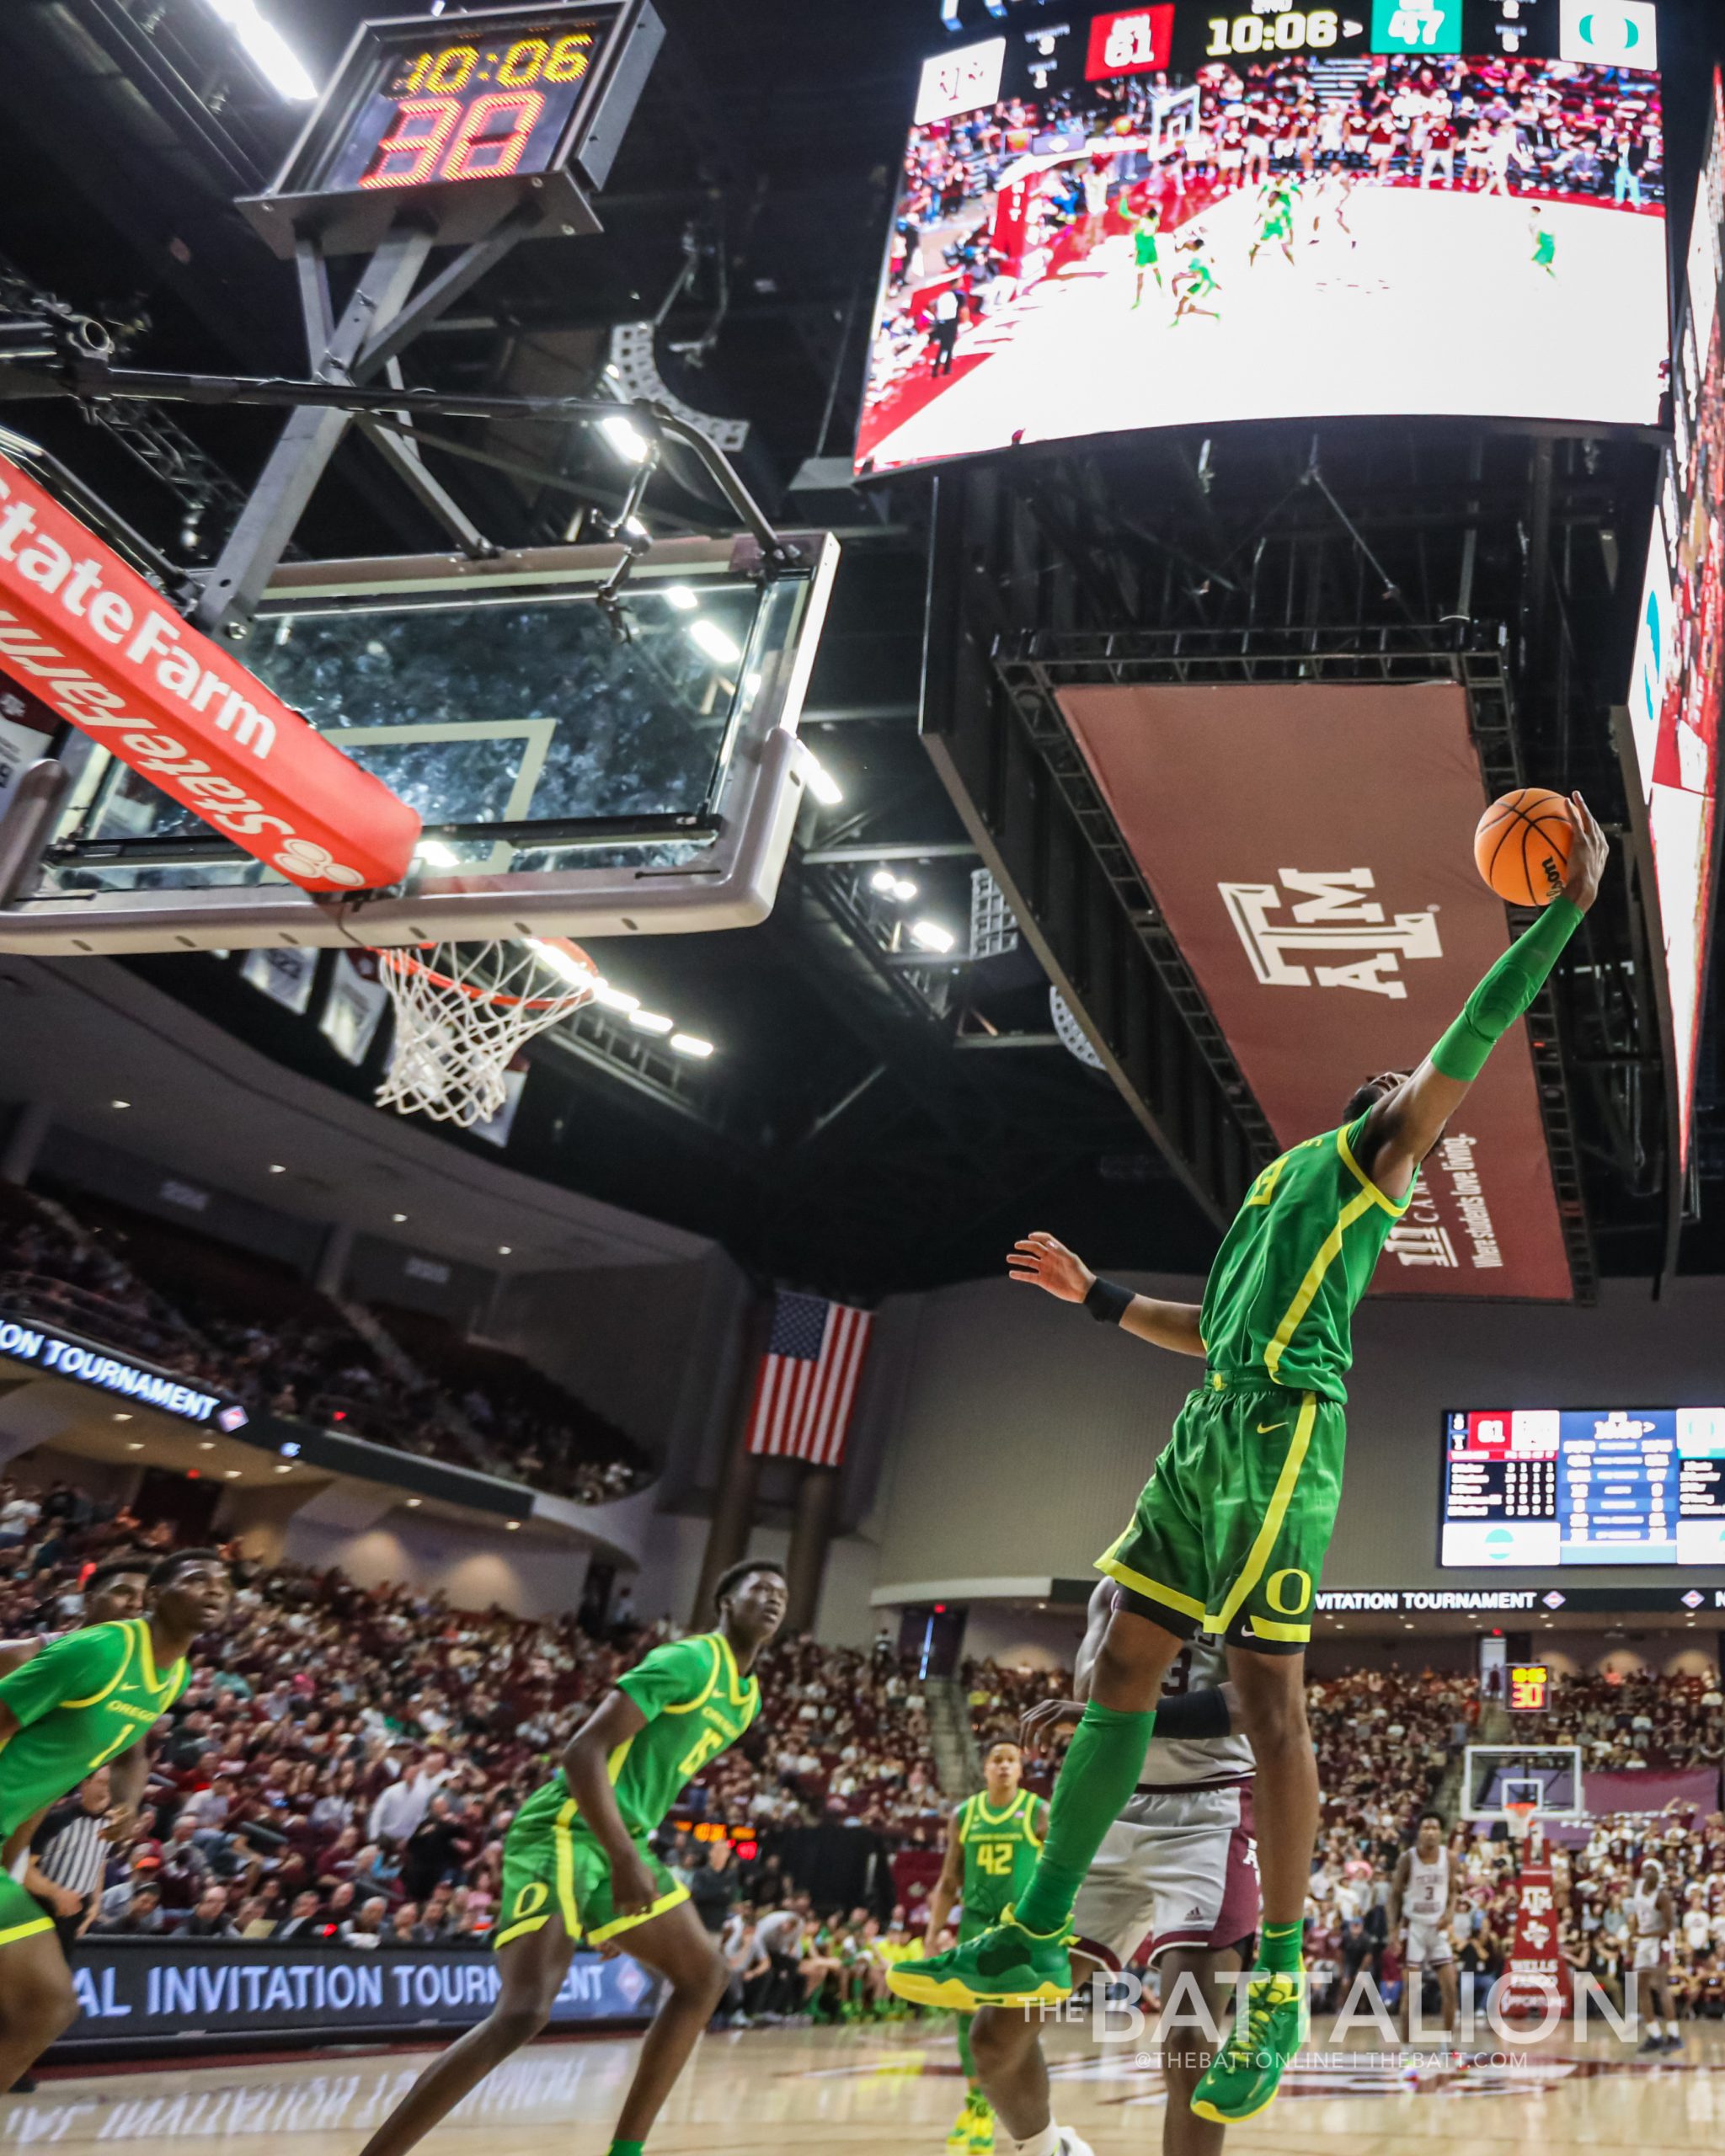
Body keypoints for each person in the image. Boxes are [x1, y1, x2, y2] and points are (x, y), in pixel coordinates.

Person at [890, 798, 1609, 2130]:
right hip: (1218, 1414)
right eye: (1399, 1087)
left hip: (1288, 1434)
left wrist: (1560, 918)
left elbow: (1471, 1037)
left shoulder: (1368, 1171)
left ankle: (1277, 1984)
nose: (1415, 1091)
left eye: (1415, 1098)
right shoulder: (1277, 1188)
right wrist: (1095, 1297)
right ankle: (1034, 1928)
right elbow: (1205, 1330)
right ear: (1362, 1099)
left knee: (1270, 1692)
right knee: (1117, 1653)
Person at [355, 1560, 788, 2156]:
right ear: (723, 1600)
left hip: (622, 1839)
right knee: (524, 2011)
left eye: (782, 1596)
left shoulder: (747, 1699)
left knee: (705, 1976)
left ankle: (625, 2153)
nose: (772, 1600)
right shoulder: (689, 1660)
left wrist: (617, 1887)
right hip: (562, 1828)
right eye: (758, 1589)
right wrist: (621, 1861)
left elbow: (645, 1779)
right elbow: (583, 1752)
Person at [969, 1579, 1257, 2156]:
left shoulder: (1253, 1580)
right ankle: (1051, 2148)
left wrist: (1122, 1715)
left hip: (1211, 1809)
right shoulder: (1116, 1585)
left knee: (1189, 2041)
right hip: (1115, 1804)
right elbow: (1092, 1694)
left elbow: (1252, 1703)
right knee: (995, 2038)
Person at [0, 1546, 231, 2090]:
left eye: (224, 1584)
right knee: (43, 2001)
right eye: (198, 1579)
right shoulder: (100, 1650)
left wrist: (128, 1803)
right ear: (154, 1597)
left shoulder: (172, 1676)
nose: (217, 1590)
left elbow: (130, 1753)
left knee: (46, 2006)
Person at [923, 1741, 1049, 2153]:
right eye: (997, 1759)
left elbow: (1061, 1870)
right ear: (985, 1767)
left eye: (1011, 1760)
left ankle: (1013, 2107)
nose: (1004, 1766)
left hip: (1019, 1929)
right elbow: (947, 1880)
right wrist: (932, 1935)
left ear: (1021, 1769)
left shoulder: (1037, 1811)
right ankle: (978, 2106)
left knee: (1015, 2022)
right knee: (967, 2015)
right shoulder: (964, 1815)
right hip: (976, 1924)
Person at [1388, 1811, 1457, 2041]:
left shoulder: (1450, 1858)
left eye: (1434, 1828)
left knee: (1450, 1989)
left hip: (1437, 1929)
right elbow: (1394, 1895)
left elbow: (1454, 1891)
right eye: (1426, 1828)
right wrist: (1393, 1929)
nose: (1430, 1832)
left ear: (1441, 1833)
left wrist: (1449, 1914)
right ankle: (1407, 2049)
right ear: (1419, 1832)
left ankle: (1447, 2044)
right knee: (1412, 1991)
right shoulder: (1408, 1858)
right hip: (1414, 1927)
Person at [1632, 1856, 1680, 2052]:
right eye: (1647, 1869)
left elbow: (1670, 1926)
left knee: (1660, 1985)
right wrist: (1634, 1931)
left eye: (1653, 1870)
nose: (1649, 1872)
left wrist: (1647, 1934)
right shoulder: (1638, 1887)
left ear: (1658, 1875)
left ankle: (1674, 2035)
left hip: (1661, 1941)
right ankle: (1654, 2035)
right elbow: (1637, 1912)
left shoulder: (1662, 1896)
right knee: (1641, 1987)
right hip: (1645, 1940)